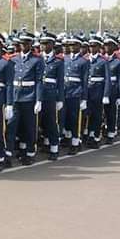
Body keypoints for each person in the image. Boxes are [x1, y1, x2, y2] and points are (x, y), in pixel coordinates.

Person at [5, 28, 41, 167]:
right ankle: (8, 153)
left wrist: (38, 99)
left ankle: (30, 152)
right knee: (11, 126)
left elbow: (39, 81)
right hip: (15, 96)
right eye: (22, 43)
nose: (24, 45)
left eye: (27, 43)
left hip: (29, 96)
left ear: (31, 44)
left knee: (29, 127)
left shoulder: (37, 60)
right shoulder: (13, 59)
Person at [38, 28, 65, 160]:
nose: (43, 46)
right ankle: (42, 143)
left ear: (52, 45)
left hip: (50, 95)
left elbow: (60, 82)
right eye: (42, 43)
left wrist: (60, 99)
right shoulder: (37, 59)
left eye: (46, 43)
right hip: (38, 95)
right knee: (39, 121)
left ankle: (54, 147)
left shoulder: (58, 62)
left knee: (51, 122)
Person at [62, 33, 89, 154]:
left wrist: (84, 98)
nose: (72, 47)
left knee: (75, 118)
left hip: (76, 92)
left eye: (74, 45)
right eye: (70, 45)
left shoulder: (84, 61)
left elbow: (84, 81)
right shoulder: (65, 58)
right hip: (65, 91)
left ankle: (75, 141)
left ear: (79, 46)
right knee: (66, 117)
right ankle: (68, 138)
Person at [85, 34, 111, 149]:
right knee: (88, 114)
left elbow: (107, 79)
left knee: (97, 116)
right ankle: (89, 134)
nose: (91, 48)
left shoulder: (103, 61)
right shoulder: (86, 60)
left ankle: (96, 136)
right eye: (90, 46)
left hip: (98, 91)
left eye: (94, 46)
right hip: (88, 91)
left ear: (99, 47)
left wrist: (106, 94)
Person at [103, 33, 120, 144]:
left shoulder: (118, 61)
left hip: (113, 89)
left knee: (111, 112)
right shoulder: (102, 59)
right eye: (105, 44)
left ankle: (111, 132)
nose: (106, 47)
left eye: (109, 45)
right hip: (102, 88)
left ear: (114, 47)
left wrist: (119, 95)